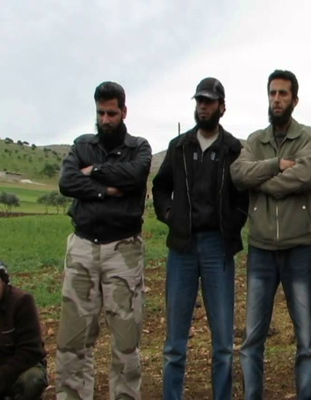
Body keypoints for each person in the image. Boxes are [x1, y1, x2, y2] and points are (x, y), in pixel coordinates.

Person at [152, 77, 248, 400]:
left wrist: (234, 223)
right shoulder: (179, 146)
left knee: (223, 343)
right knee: (174, 344)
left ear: (222, 107)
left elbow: (243, 195)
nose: (203, 107)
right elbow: (160, 187)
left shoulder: (233, 149)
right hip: (182, 247)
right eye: (199, 101)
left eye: (209, 102)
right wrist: (169, 214)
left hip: (218, 248)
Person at [56, 81, 151, 400]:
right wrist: (106, 190)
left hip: (123, 250)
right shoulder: (82, 144)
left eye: (112, 113)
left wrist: (94, 170)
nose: (106, 120)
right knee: (73, 341)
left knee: (126, 343)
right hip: (82, 247)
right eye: (101, 113)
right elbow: (67, 181)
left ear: (124, 112)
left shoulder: (139, 148)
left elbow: (135, 176)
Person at [230, 69, 311, 400]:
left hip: (300, 250)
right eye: (272, 93)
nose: (277, 99)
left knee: (306, 339)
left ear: (295, 100)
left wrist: (262, 182)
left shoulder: (309, 137)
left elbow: (304, 177)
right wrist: (276, 165)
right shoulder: (255, 141)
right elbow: (239, 174)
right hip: (261, 251)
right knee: (253, 339)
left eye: (283, 94)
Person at [0, 261, 47, 399]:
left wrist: (2, 377)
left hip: (19, 367)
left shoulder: (22, 301)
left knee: (32, 380)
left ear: (3, 280)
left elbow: (31, 352)